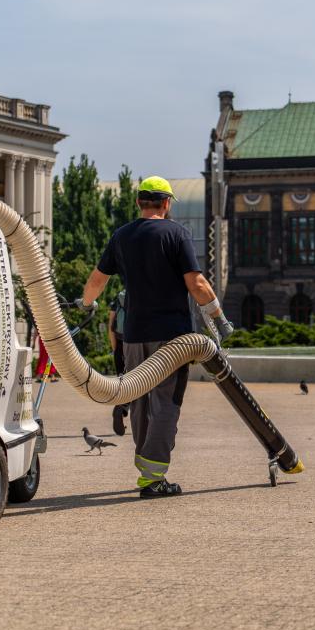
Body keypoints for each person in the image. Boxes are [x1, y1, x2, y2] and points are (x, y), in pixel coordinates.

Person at [79, 176, 234, 498]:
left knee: (140, 399)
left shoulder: (122, 236)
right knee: (166, 401)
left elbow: (97, 279)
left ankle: (147, 469)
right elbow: (197, 284)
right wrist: (218, 317)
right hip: (172, 339)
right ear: (166, 203)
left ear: (139, 203)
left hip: (134, 335)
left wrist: (87, 303)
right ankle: (153, 475)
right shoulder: (176, 234)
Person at [108, 288, 128, 435]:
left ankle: (121, 407)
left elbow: (111, 326)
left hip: (120, 344)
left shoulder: (119, 297)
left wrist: (115, 349)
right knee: (143, 382)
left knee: (123, 381)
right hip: (137, 343)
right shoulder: (144, 292)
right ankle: (123, 407)